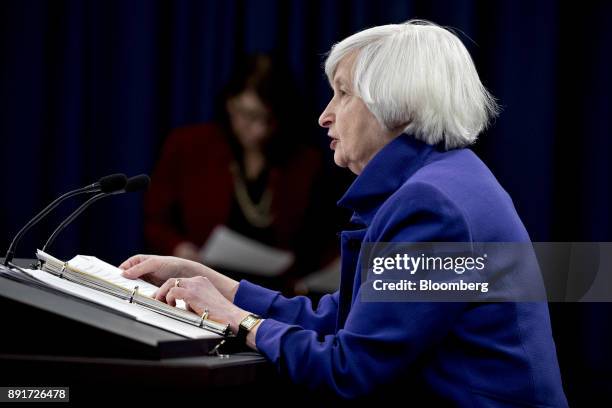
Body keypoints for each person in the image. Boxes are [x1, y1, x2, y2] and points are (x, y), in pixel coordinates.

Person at [121, 20, 568, 404]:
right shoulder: (443, 180)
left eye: (342, 94)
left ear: (396, 107)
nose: (324, 116)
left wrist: (239, 321)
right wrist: (217, 284)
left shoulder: (432, 206)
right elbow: (341, 318)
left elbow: (350, 368)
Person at [144, 54, 338, 291]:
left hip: (273, 294)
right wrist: (180, 249)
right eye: (249, 115)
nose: (258, 130)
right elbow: (156, 221)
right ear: (229, 102)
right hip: (195, 283)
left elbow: (319, 241)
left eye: (268, 119)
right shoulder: (189, 146)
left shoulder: (306, 162)